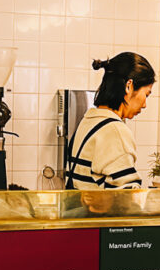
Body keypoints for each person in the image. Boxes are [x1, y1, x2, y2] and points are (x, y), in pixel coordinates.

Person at [66, 52, 155, 189]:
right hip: (97, 211)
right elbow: (125, 201)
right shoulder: (115, 131)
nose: (144, 105)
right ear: (129, 86)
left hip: (81, 209)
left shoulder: (88, 121)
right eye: (146, 95)